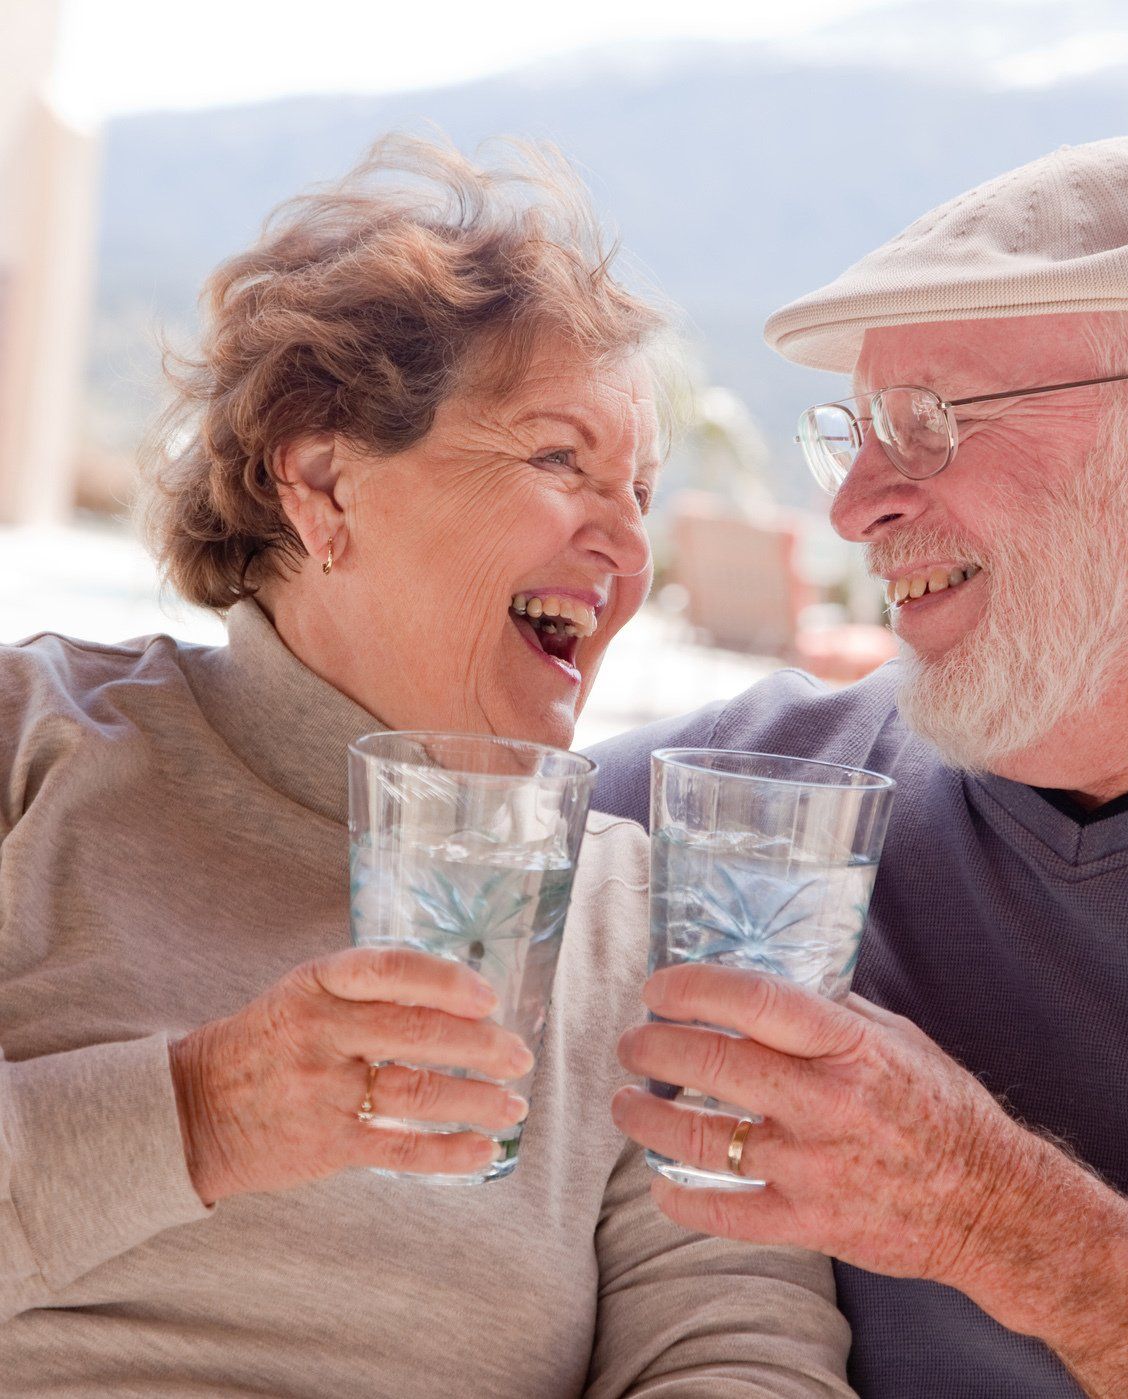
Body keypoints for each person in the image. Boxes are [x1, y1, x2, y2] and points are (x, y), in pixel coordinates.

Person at [0, 136, 852, 1397]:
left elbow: (736, 1341)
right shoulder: (38, 744)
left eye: (642, 491)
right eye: (560, 460)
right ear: (322, 477)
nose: (627, 543)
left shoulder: (646, 915)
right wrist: (199, 1112)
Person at [592, 134, 1128, 1395]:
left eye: (924, 423)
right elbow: (362, 808)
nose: (854, 505)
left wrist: (989, 1215)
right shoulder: (745, 801)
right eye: (852, 432)